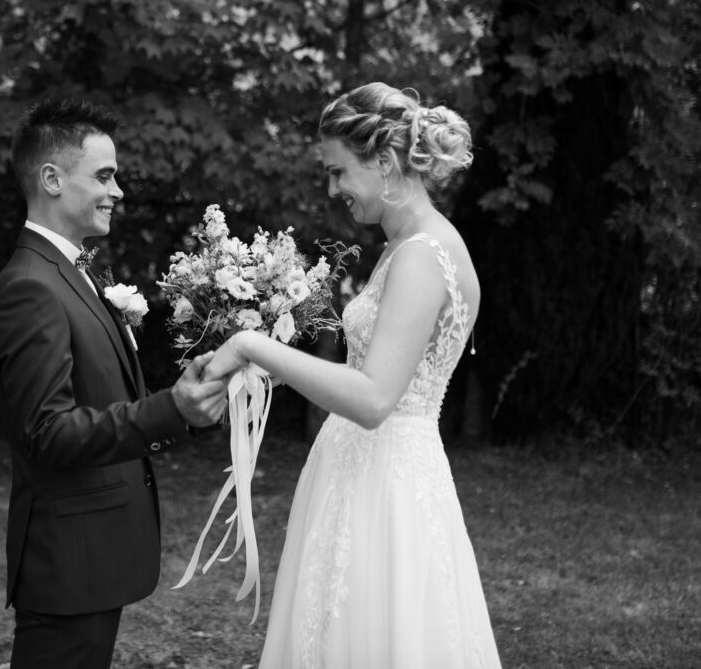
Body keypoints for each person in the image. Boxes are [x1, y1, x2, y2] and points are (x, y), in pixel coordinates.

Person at [203, 82, 503, 668]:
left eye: (339, 172)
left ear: (386, 163)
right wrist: (269, 368)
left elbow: (373, 400)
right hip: (364, 469)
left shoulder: (422, 253)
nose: (333, 188)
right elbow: (363, 374)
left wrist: (253, 345)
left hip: (387, 483)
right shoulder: (406, 247)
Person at [0, 97, 228, 669]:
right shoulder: (30, 286)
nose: (117, 191)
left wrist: (187, 402)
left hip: (92, 554)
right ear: (51, 178)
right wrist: (171, 409)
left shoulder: (68, 272)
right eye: (103, 175)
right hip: (68, 560)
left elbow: (105, 401)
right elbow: (48, 433)